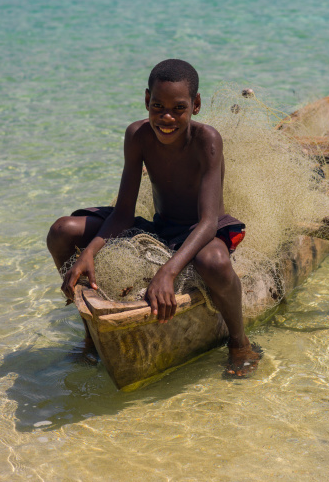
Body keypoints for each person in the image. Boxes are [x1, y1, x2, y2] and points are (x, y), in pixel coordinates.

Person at [47, 59, 262, 377]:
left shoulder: (207, 141)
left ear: (196, 105)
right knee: (62, 230)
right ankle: (92, 335)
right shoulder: (137, 135)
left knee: (214, 263)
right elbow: (123, 213)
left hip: (201, 229)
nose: (167, 117)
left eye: (179, 108)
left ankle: (239, 342)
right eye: (158, 106)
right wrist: (90, 251)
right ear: (146, 100)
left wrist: (168, 272)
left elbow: (207, 221)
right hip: (159, 228)